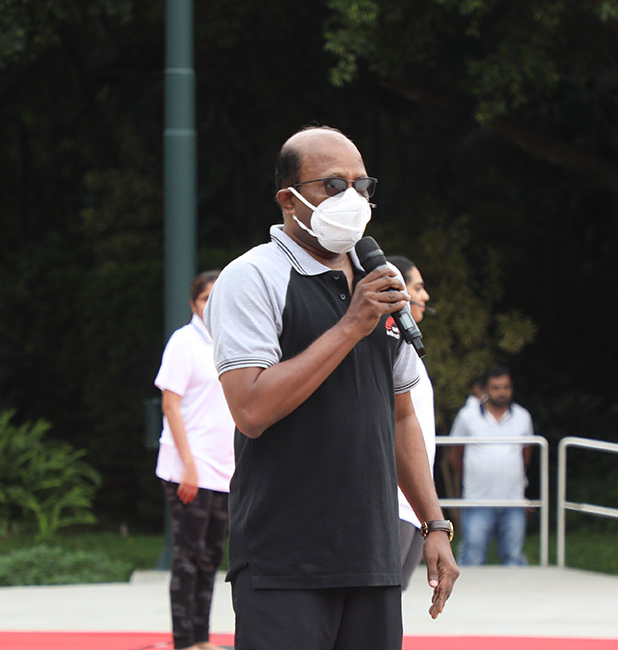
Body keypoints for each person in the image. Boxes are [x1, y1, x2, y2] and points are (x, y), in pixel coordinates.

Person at [204, 125, 458, 650]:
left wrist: (434, 524)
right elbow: (250, 409)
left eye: (362, 186)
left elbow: (402, 415)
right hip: (284, 559)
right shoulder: (253, 277)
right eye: (333, 185)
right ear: (288, 199)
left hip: (372, 552)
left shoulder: (377, 279)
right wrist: (350, 325)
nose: (353, 199)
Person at [154, 269, 235, 650]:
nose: (212, 305)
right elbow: (170, 405)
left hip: (223, 472)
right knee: (188, 556)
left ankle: (201, 638)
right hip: (189, 468)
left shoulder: (231, 341)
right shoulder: (184, 342)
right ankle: (184, 640)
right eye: (206, 298)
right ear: (193, 303)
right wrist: (188, 465)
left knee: (210, 558)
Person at [448, 365, 533, 566]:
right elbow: (454, 456)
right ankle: (467, 597)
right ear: (486, 389)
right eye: (496, 388)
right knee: (472, 558)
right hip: (477, 502)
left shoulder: (523, 416)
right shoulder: (467, 416)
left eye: (506, 387)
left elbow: (526, 454)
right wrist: (472, 478)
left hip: (513, 502)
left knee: (513, 558)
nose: (502, 392)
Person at [386, 255, 436, 591]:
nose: (425, 296)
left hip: (413, 507)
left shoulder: (407, 349)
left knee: (391, 606)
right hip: (392, 503)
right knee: (378, 606)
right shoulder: (383, 343)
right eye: (417, 287)